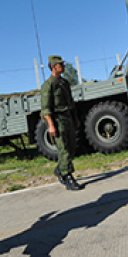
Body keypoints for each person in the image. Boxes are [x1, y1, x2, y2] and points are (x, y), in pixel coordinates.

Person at [40, 55, 83, 191]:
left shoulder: (64, 83)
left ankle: (60, 169)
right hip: (57, 120)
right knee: (63, 149)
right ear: (53, 67)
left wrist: (75, 118)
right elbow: (46, 107)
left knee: (70, 148)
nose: (63, 67)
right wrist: (51, 125)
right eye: (60, 65)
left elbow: (71, 102)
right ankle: (68, 177)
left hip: (68, 118)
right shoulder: (49, 85)